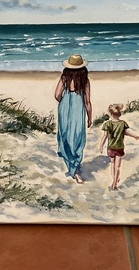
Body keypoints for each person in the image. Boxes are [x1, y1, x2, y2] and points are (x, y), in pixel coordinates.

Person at [54, 54, 92, 184]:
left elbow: (57, 95)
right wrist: (89, 118)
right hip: (78, 109)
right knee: (77, 137)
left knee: (65, 135)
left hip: (65, 107)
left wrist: (64, 102)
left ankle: (72, 166)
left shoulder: (64, 77)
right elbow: (87, 102)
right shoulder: (84, 81)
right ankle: (74, 168)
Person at [99, 104, 139, 190]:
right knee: (117, 166)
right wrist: (134, 136)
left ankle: (114, 179)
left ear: (110, 114)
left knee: (112, 164)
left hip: (111, 148)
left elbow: (105, 136)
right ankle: (115, 183)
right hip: (120, 147)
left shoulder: (107, 124)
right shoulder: (122, 123)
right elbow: (126, 132)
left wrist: (101, 146)